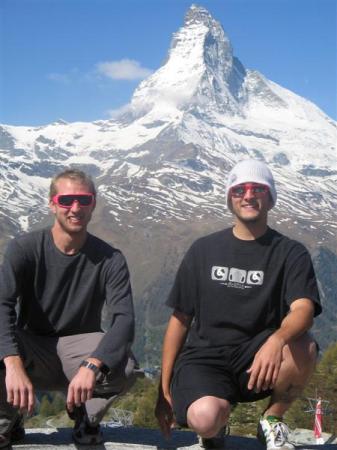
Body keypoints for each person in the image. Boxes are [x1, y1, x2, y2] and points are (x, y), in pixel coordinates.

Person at [155, 159, 321, 450]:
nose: (248, 195)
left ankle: (272, 419)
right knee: (205, 418)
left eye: (258, 188)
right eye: (239, 189)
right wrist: (163, 388)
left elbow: (304, 309)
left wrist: (277, 339)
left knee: (303, 345)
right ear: (229, 198)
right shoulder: (203, 250)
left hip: (258, 361)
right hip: (205, 358)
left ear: (270, 198)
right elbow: (180, 319)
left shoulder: (290, 252)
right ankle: (216, 427)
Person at [0, 169, 140, 448]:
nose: (75, 208)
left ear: (93, 204)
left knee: (126, 366)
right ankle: (6, 421)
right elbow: (2, 306)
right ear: (52, 204)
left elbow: (124, 320)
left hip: (80, 351)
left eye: (83, 200)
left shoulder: (110, 258)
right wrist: (13, 362)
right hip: (33, 347)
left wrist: (92, 364)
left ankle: (85, 416)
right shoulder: (24, 249)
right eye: (66, 200)